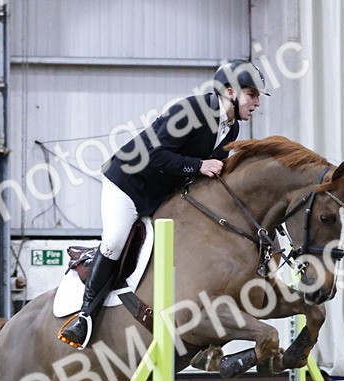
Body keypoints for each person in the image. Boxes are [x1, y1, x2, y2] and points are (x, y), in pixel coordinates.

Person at [58, 58, 269, 349]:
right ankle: (84, 316)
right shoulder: (191, 111)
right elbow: (155, 155)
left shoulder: (231, 129)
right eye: (252, 95)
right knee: (115, 241)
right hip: (127, 184)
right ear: (230, 92)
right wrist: (199, 165)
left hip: (160, 195)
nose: (257, 103)